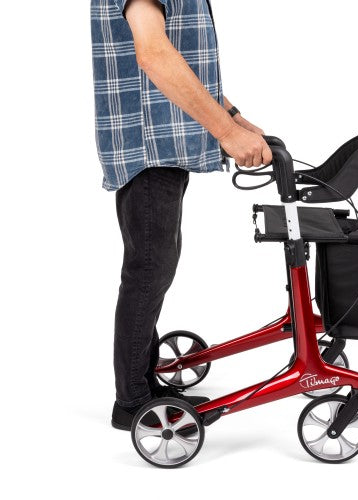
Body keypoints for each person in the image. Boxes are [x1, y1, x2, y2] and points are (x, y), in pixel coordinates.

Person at [91, 0, 272, 430]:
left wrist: (234, 119)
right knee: (148, 270)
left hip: (164, 146)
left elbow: (184, 62)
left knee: (154, 269)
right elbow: (154, 55)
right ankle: (132, 401)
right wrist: (226, 133)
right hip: (147, 148)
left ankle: (142, 383)